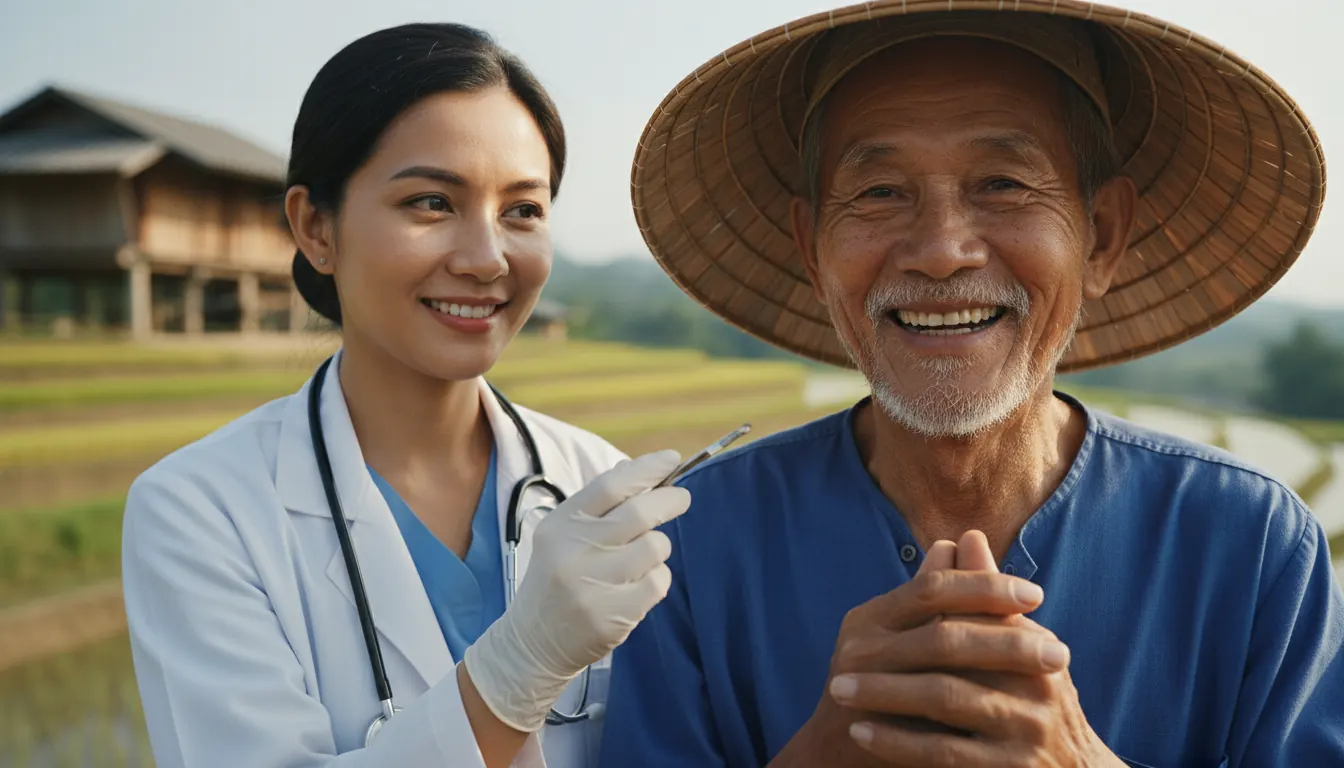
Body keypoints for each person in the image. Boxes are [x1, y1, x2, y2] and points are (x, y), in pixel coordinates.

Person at [599, 1, 1339, 767]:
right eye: (880, 192)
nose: (942, 251)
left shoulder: (1249, 545)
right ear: (810, 247)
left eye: (1003, 183)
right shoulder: (691, 548)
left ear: (1104, 236)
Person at [120, 23, 691, 768]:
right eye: (431, 202)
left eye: (522, 210)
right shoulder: (200, 512)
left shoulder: (597, 484)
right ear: (315, 228)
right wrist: (518, 668)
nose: (487, 260)